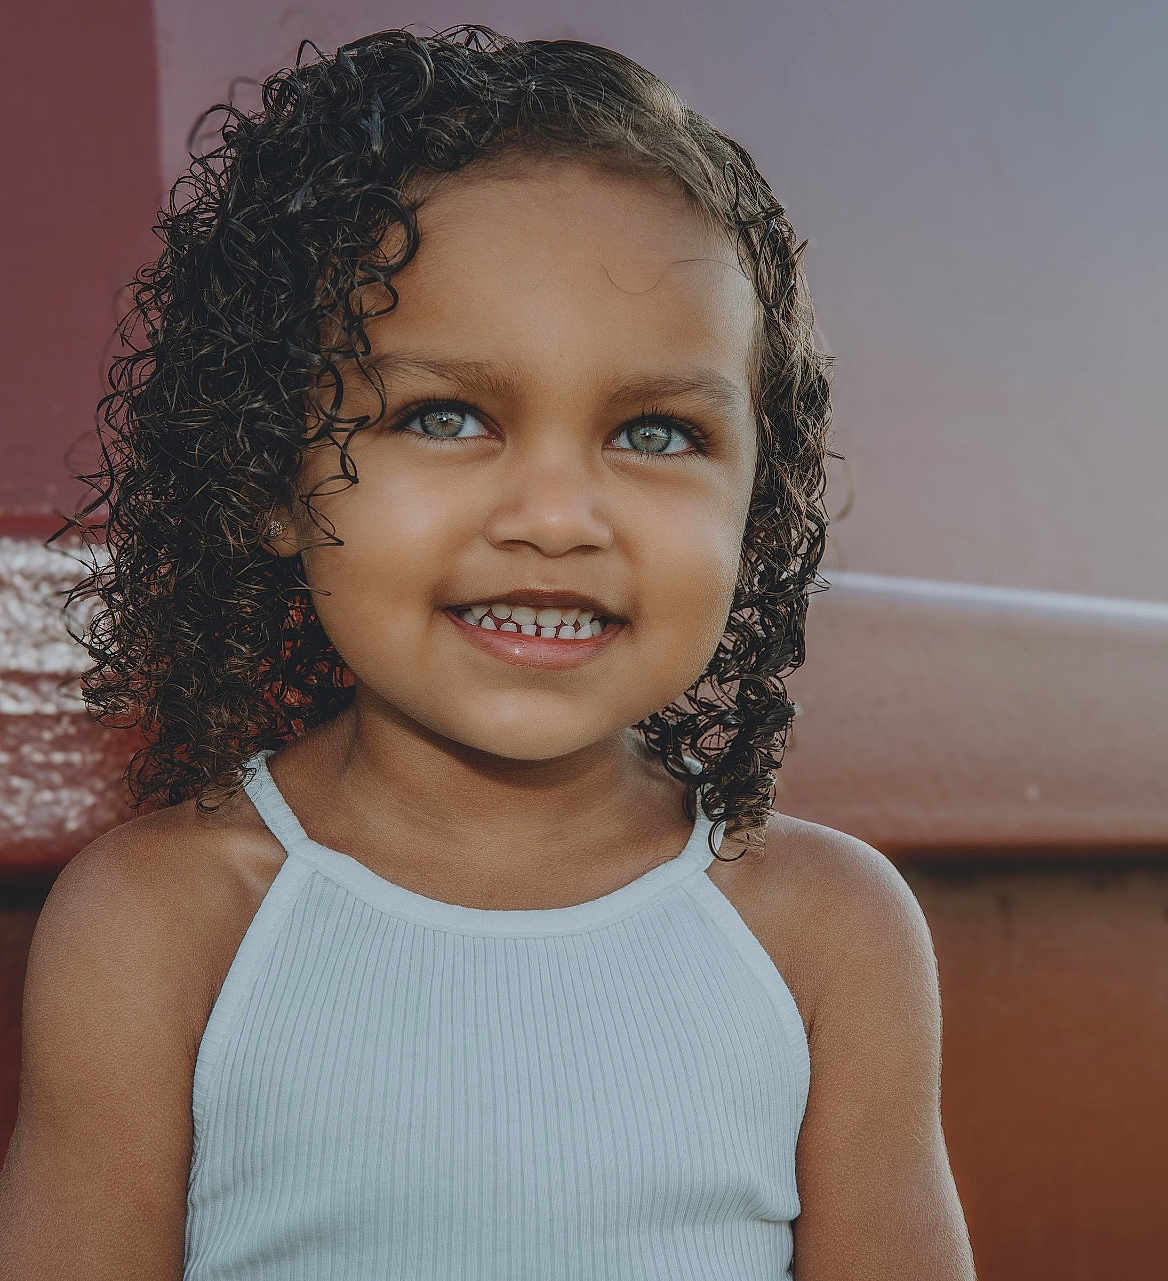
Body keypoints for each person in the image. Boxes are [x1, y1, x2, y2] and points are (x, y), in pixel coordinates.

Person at [0, 22, 976, 1281]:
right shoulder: (159, 923)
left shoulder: (829, 932)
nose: (557, 518)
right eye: (446, 415)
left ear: (759, 502)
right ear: (272, 475)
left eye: (657, 433)